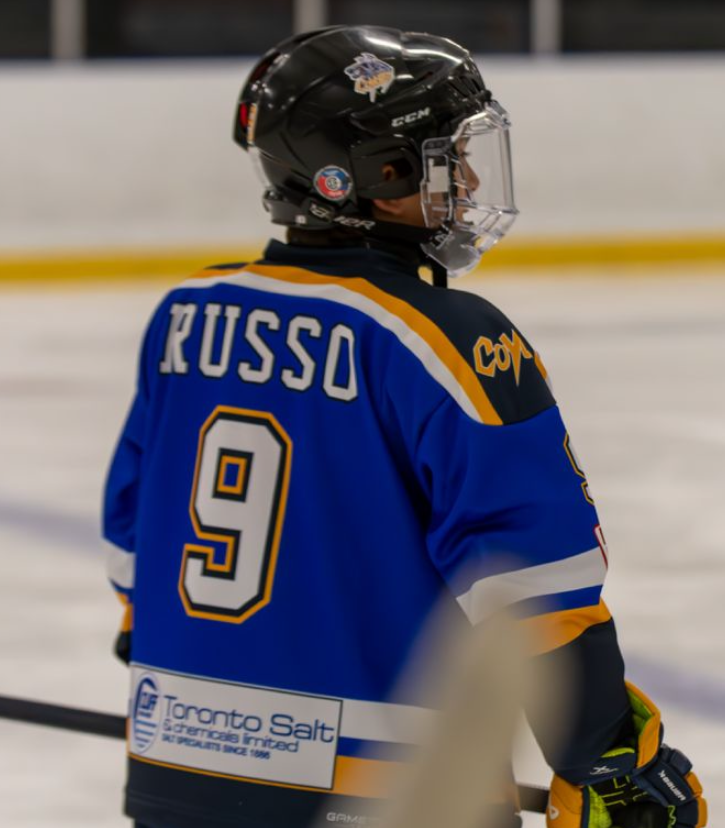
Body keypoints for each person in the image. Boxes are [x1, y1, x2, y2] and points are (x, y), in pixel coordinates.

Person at [102, 25, 707, 828]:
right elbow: (533, 582)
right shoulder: (445, 339)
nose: (467, 179)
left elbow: (132, 547)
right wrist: (608, 764)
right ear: (377, 177)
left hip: (179, 767)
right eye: (444, 158)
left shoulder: (185, 315)